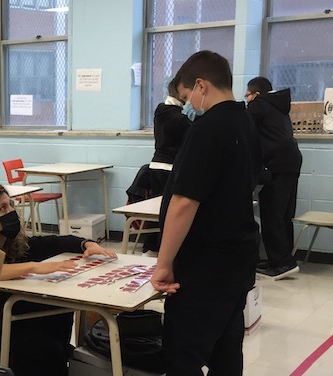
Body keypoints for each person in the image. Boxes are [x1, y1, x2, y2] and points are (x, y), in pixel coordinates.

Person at [150, 51, 262, 376]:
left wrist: (164, 263)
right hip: (236, 260)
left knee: (182, 355)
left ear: (200, 86)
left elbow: (185, 202)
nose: (188, 106)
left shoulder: (209, 127)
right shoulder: (246, 122)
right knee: (226, 352)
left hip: (205, 267)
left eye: (186, 98)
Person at [0, 183, 116, 376]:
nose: (11, 212)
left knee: (61, 308)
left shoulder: (15, 246)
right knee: (46, 347)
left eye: (11, 205)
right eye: (2, 209)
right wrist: (35, 267)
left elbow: (56, 242)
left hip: (24, 324)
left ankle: (58, 360)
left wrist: (86, 244)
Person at [246, 77, 302, 280]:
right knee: (284, 214)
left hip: (276, 164)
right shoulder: (278, 106)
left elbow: (242, 126)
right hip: (291, 161)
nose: (247, 100)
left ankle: (281, 263)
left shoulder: (259, 105)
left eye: (247, 96)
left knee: (272, 213)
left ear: (256, 94)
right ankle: (282, 258)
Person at [142, 78, 192, 254]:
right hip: (169, 167)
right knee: (168, 212)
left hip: (156, 165)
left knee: (159, 210)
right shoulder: (178, 118)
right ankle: (162, 249)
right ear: (180, 94)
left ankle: (151, 246)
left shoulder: (160, 111)